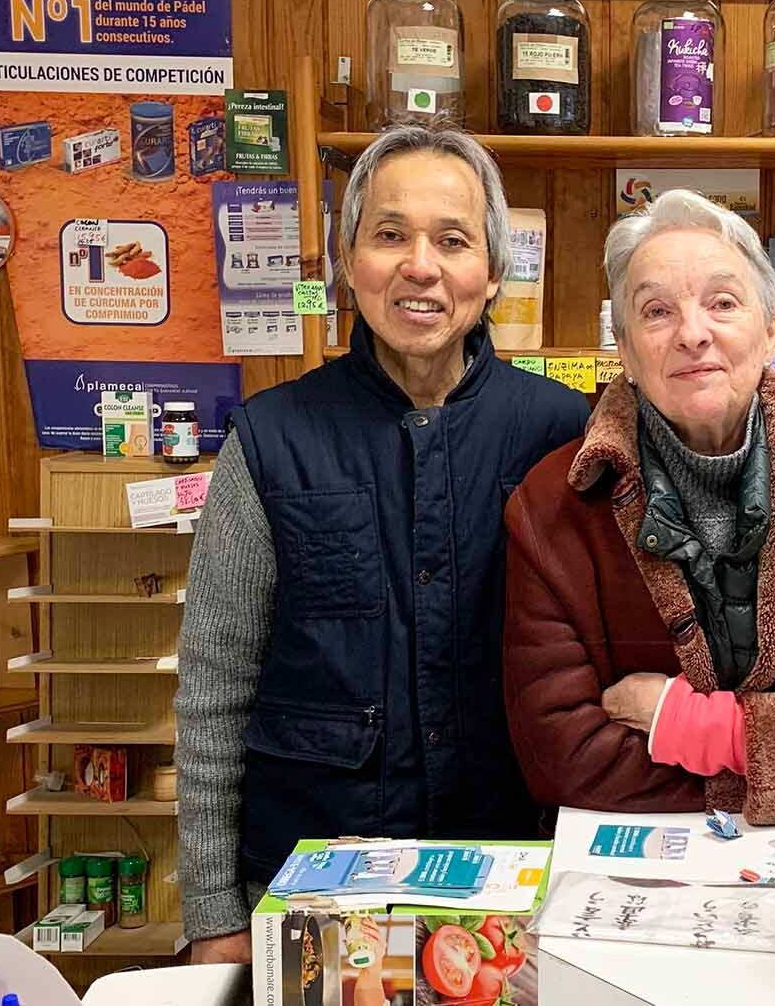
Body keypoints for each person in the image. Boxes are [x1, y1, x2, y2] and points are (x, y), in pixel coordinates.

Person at [176, 124, 589, 964]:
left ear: (494, 270)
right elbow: (213, 692)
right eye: (390, 235)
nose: (421, 266)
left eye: (452, 239)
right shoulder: (269, 440)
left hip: (509, 878)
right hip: (313, 883)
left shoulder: (562, 436)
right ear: (347, 258)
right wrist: (214, 913)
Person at [501, 189, 775, 825]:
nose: (693, 334)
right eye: (657, 312)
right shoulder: (553, 506)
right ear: (625, 351)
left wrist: (684, 725)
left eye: (723, 303)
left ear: (771, 327)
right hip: (625, 874)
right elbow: (564, 758)